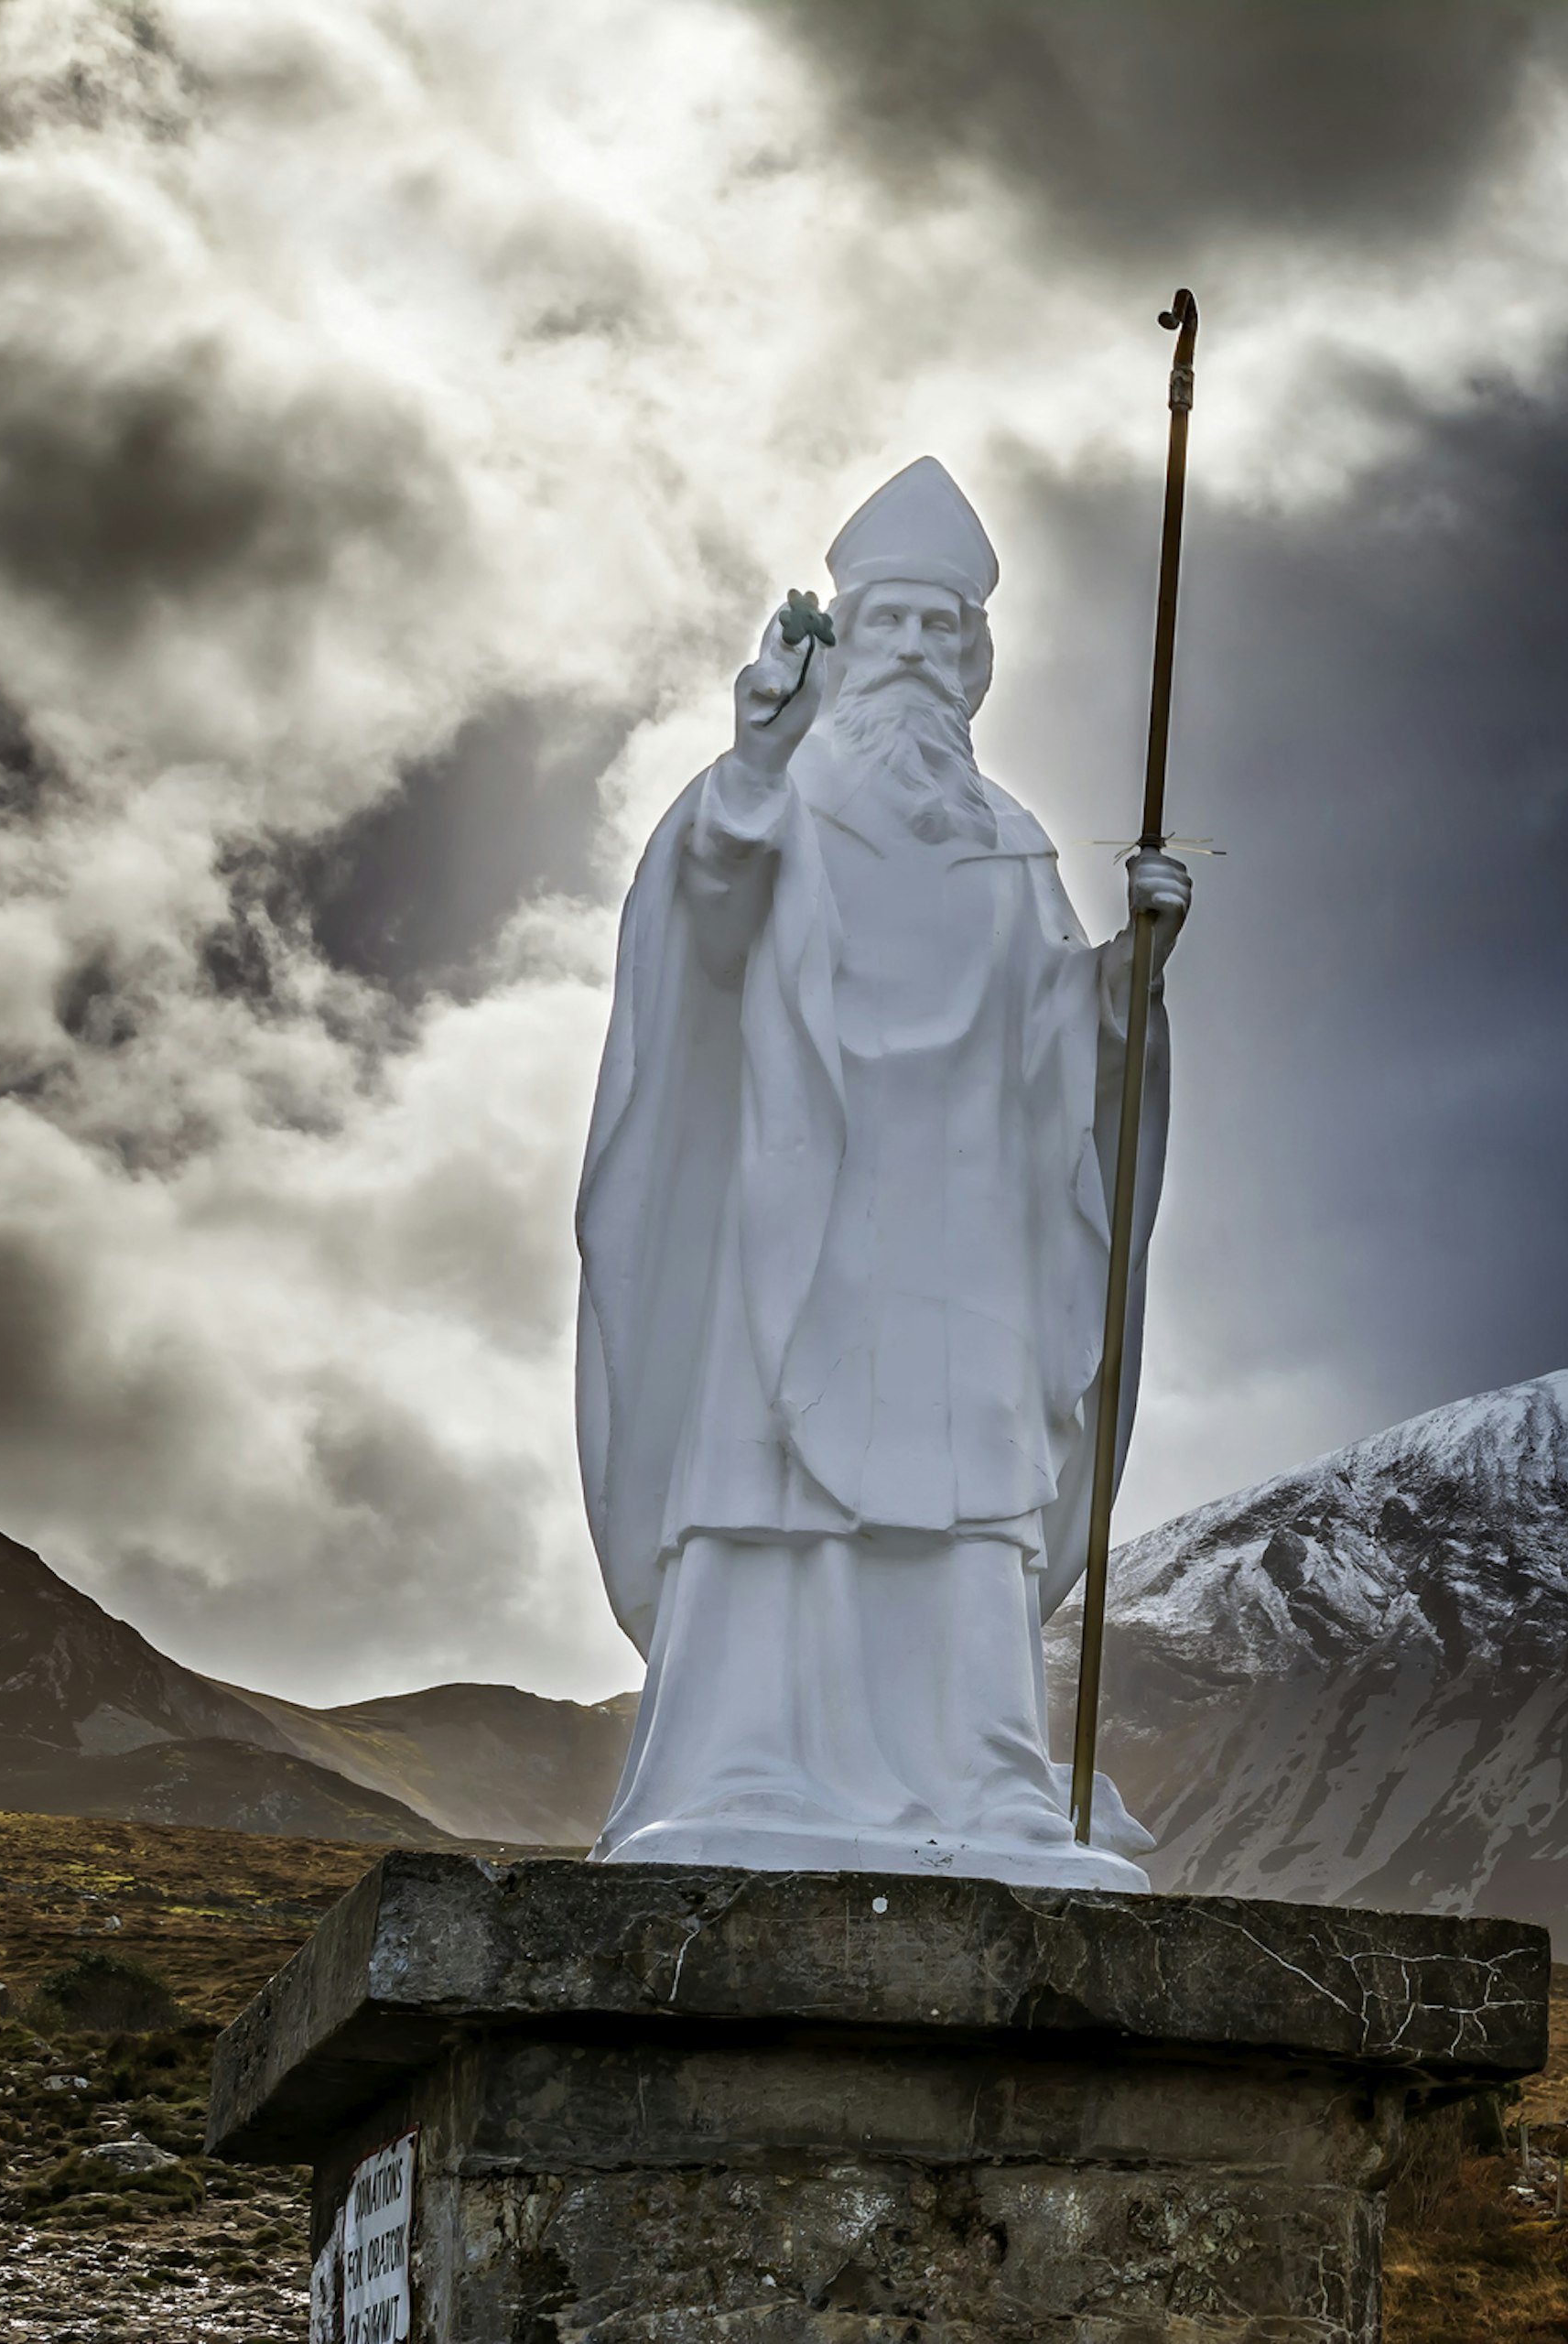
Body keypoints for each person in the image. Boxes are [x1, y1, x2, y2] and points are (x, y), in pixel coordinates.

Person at [574, 457, 1186, 1886]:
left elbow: (1057, 1043)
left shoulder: (1008, 839)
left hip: (965, 1233)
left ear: (975, 657)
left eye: (938, 630)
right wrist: (751, 765)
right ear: (843, 642)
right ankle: (745, 1762)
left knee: (972, 1502)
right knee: (777, 1482)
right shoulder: (773, 796)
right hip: (804, 1215)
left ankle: (989, 1778)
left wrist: (1129, 979)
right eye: (888, 625)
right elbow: (704, 926)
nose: (913, 653)